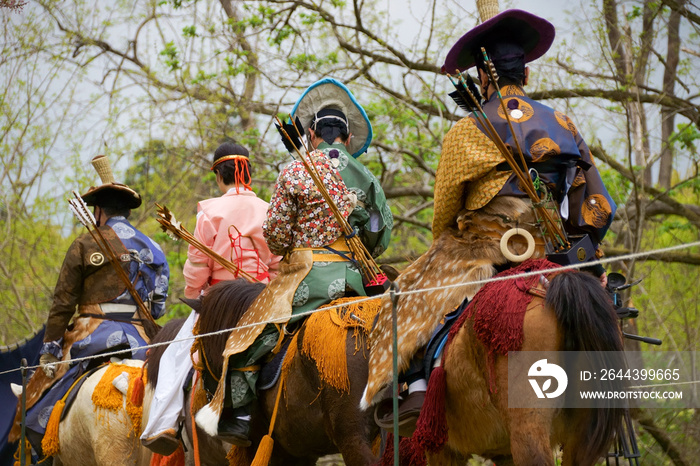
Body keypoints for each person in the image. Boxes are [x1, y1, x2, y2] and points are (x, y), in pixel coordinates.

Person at [364, 8, 617, 432]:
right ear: (527, 74)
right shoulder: (563, 124)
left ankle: (413, 387)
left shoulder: (469, 129)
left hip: (484, 252)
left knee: (405, 291)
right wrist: (585, 257)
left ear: (483, 78)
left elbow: (444, 213)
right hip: (553, 253)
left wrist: (446, 240)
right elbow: (597, 204)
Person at [195, 79, 393, 446]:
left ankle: (238, 415)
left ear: (312, 135)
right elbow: (382, 235)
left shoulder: (296, 170)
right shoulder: (365, 175)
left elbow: (276, 236)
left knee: (251, 335)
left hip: (306, 282)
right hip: (358, 280)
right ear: (347, 139)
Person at [14, 155, 169, 457]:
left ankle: (43, 455)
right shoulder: (154, 247)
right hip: (144, 342)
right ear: (126, 211)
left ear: (98, 211)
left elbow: (62, 304)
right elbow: (159, 306)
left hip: (92, 337)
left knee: (36, 404)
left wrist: (50, 349)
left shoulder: (85, 244)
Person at [141, 142, 281, 455]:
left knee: (177, 355)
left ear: (219, 176)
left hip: (218, 304)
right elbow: (276, 263)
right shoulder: (268, 209)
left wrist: (195, 297)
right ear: (248, 174)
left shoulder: (209, 212)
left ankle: (165, 424)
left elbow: (196, 269)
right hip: (262, 301)